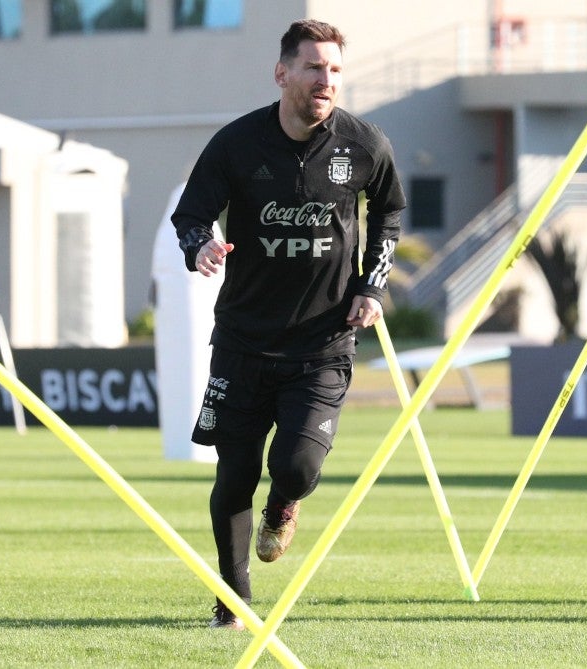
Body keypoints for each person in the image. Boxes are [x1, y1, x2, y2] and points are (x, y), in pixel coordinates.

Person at [171, 19, 406, 630]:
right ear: (282, 74)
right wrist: (200, 246)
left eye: (333, 70)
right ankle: (232, 600)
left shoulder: (365, 145)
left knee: (297, 468)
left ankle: (284, 506)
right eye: (312, 68)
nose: (325, 80)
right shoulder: (235, 143)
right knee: (235, 474)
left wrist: (371, 285)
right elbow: (191, 214)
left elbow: (390, 213)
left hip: (324, 342)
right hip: (244, 342)